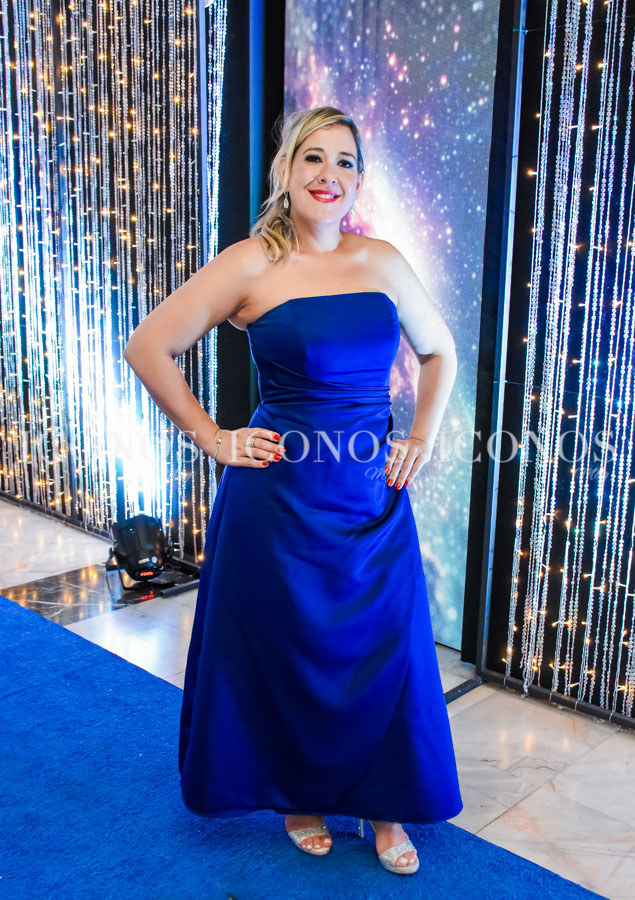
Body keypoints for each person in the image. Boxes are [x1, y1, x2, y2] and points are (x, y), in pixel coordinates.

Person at [124, 105, 463, 876]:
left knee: (380, 651)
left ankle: (384, 807)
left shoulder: (381, 260)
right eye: (313, 157)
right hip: (277, 504)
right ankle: (297, 798)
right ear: (285, 169)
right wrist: (213, 437)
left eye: (344, 162)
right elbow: (148, 346)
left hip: (371, 499)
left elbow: (439, 351)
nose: (328, 175)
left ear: (358, 181)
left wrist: (419, 438)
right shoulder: (249, 263)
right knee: (288, 652)